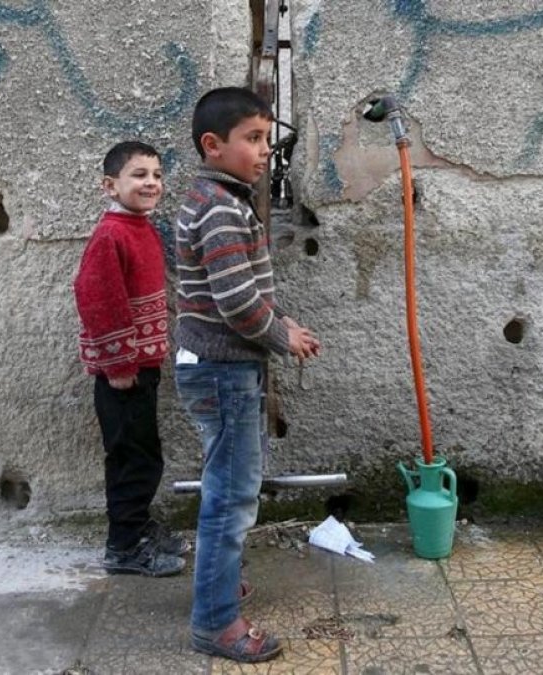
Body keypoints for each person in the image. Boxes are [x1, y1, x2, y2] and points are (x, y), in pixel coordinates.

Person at [173, 88, 321, 663]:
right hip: (223, 371)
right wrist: (283, 337)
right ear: (213, 147)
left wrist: (283, 320)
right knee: (231, 499)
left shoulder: (222, 199)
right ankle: (215, 623)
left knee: (225, 488)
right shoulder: (218, 208)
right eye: (253, 139)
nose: (264, 152)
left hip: (220, 367)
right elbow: (238, 306)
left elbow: (249, 292)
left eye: (266, 138)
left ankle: (217, 580)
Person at [73, 141, 188, 577]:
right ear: (110, 185)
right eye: (139, 175)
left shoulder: (142, 228)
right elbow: (97, 300)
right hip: (122, 373)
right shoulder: (111, 235)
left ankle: (138, 528)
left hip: (142, 366)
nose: (152, 183)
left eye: (157, 175)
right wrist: (119, 365)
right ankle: (123, 547)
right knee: (130, 459)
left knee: (145, 454)